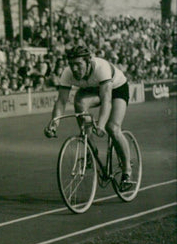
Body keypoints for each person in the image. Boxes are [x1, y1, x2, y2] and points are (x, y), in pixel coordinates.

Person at [44, 43, 133, 190]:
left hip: (116, 89)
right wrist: (54, 123)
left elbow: (106, 99)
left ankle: (127, 171)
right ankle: (91, 149)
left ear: (88, 61)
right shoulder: (67, 73)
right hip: (93, 90)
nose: (74, 69)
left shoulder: (101, 68)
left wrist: (102, 124)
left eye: (79, 64)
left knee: (113, 127)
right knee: (79, 102)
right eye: (71, 65)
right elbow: (61, 101)